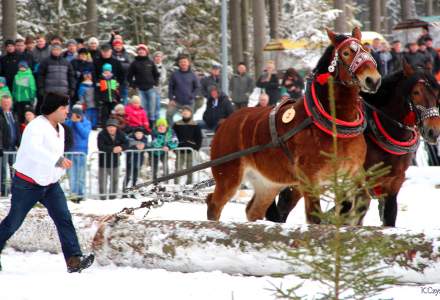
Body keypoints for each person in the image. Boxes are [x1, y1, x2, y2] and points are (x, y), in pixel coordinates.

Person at [0, 92, 94, 273]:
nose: (67, 111)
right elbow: (34, 150)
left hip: (51, 184)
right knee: (13, 222)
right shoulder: (36, 126)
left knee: (64, 218)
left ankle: (74, 259)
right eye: (63, 107)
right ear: (53, 109)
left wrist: (58, 167)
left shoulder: (60, 128)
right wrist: (57, 160)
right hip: (27, 183)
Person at [127, 44, 160, 125]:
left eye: (143, 50)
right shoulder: (134, 63)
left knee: (152, 108)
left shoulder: (151, 62)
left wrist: (156, 83)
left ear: (146, 52)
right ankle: (143, 125)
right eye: (139, 50)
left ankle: (152, 125)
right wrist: (132, 84)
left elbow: (156, 74)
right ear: (137, 52)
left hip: (151, 88)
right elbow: (129, 76)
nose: (141, 51)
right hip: (140, 89)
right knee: (142, 108)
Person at [64, 105, 91, 202]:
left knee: (81, 175)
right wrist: (73, 122)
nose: (75, 116)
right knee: (72, 175)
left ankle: (80, 194)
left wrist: (77, 123)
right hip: (70, 152)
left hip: (81, 153)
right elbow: (66, 132)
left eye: (77, 115)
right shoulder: (68, 123)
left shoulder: (87, 123)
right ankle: (73, 194)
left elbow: (84, 134)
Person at [97, 118, 128, 200]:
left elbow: (126, 143)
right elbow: (100, 146)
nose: (111, 128)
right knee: (102, 182)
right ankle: (102, 198)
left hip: (115, 162)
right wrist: (112, 149)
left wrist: (121, 147)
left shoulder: (120, 134)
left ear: (116, 127)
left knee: (115, 180)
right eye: (109, 127)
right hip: (103, 162)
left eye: (113, 127)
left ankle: (113, 197)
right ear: (106, 127)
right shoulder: (101, 134)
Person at [167, 54, 200, 126]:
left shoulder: (193, 75)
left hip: (189, 102)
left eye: (185, 62)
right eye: (181, 62)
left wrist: (192, 96)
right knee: (169, 114)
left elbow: (197, 87)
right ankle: (174, 130)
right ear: (179, 64)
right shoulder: (175, 74)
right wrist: (171, 99)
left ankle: (188, 134)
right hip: (177, 102)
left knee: (189, 120)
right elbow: (170, 87)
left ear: (188, 63)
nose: (183, 63)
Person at [172, 105, 202, 184]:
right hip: (180, 150)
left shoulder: (195, 125)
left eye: (187, 111)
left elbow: (199, 137)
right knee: (178, 169)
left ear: (190, 113)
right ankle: (176, 184)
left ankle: (189, 184)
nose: (185, 113)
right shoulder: (177, 124)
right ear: (182, 113)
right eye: (184, 111)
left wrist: (196, 147)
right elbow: (172, 136)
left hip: (190, 150)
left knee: (190, 168)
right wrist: (174, 148)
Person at [0, 95, 21, 197]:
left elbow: (17, 131)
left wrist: (20, 144)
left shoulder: (14, 114)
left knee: (15, 170)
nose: (6, 104)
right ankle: (3, 191)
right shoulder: (0, 115)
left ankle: (15, 190)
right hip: (3, 148)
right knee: (3, 170)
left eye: (8, 102)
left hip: (13, 148)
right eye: (4, 103)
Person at [124, 127, 148, 191]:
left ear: (143, 134)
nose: (139, 135)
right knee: (128, 176)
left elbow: (147, 145)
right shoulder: (130, 138)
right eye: (137, 133)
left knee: (135, 177)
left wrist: (144, 145)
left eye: (140, 133)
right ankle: (124, 192)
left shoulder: (145, 139)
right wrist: (136, 144)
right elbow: (127, 145)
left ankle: (133, 191)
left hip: (138, 161)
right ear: (134, 134)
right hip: (130, 161)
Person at [111, 39, 131, 104]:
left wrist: (119, 65)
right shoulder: (111, 54)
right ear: (113, 46)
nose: (118, 47)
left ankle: (123, 112)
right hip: (113, 80)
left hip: (124, 81)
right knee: (113, 98)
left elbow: (129, 65)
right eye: (116, 45)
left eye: (119, 45)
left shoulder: (126, 54)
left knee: (124, 98)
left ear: (122, 46)